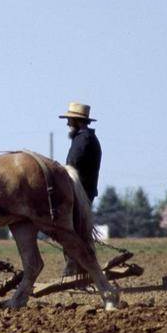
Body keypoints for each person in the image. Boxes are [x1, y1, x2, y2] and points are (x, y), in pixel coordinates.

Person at [58, 102, 101, 276]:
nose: (68, 124)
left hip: (80, 193)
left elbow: (73, 166)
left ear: (77, 121)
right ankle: (78, 269)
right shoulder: (85, 138)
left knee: (72, 232)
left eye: (70, 120)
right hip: (81, 192)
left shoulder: (84, 140)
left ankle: (75, 269)